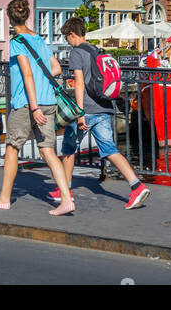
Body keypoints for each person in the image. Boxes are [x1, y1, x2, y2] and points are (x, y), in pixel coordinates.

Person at [0, 0, 76, 216]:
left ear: (10, 18)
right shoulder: (38, 39)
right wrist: (42, 84)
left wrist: (33, 107)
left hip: (26, 103)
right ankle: (66, 199)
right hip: (48, 101)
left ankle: (4, 198)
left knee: (12, 148)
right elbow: (56, 68)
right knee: (48, 151)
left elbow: (26, 75)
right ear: (27, 15)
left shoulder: (17, 42)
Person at [53, 17, 150, 210]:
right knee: (110, 150)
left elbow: (79, 83)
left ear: (72, 34)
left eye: (67, 37)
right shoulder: (96, 50)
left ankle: (65, 191)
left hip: (87, 109)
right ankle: (137, 186)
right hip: (105, 107)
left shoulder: (77, 53)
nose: (67, 41)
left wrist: (79, 113)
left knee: (69, 149)